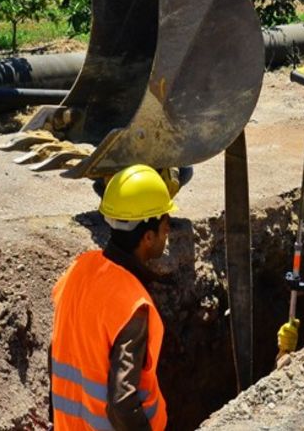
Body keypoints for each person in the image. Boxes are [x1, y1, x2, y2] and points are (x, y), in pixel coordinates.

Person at [49, 164, 175, 430]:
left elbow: (62, 351)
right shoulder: (131, 304)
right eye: (166, 224)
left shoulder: (78, 270)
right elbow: (122, 403)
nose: (168, 233)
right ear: (148, 237)